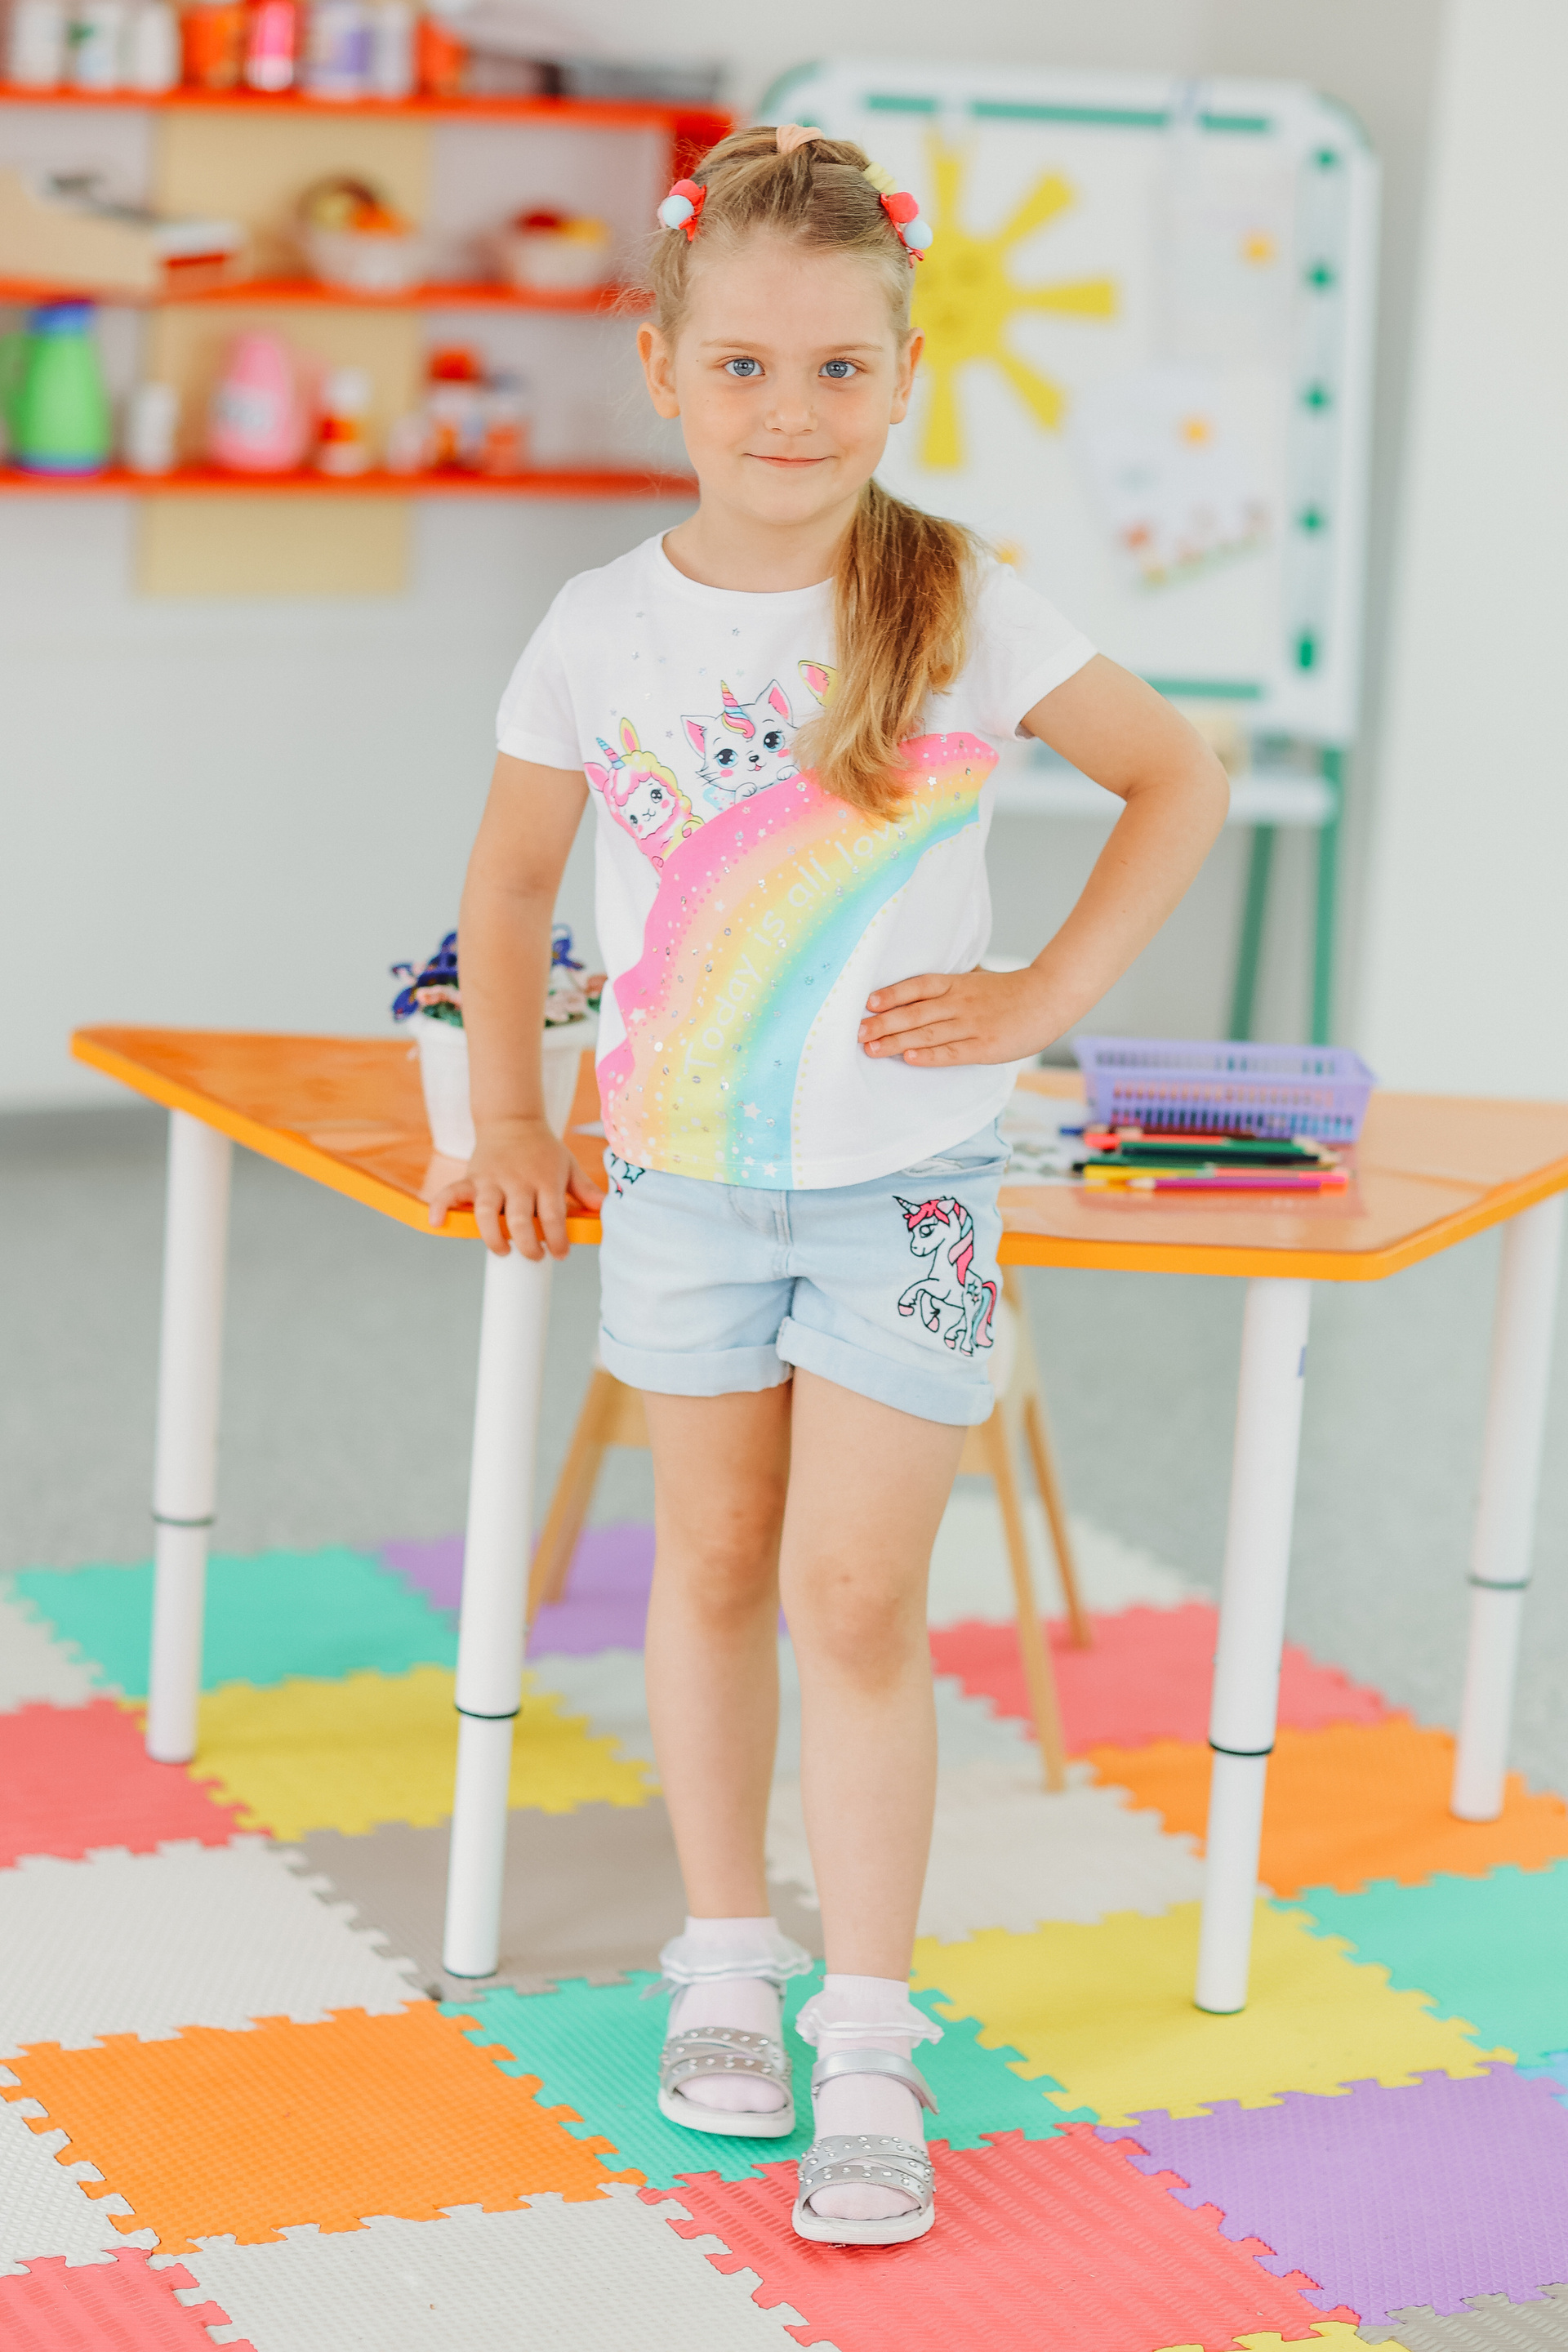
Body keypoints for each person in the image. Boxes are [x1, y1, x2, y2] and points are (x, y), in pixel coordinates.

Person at [430, 122, 1228, 2247]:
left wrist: (1043, 993)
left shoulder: (958, 598)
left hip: (912, 1193)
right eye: (745, 367)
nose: (790, 413)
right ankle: (727, 1959)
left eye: (839, 371)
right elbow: (509, 888)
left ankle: (868, 2033)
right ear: (662, 367)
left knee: (856, 1601)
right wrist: (511, 1115)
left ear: (903, 377)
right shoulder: (597, 627)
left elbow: (1177, 773)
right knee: (707, 1569)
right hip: (685, 1188)